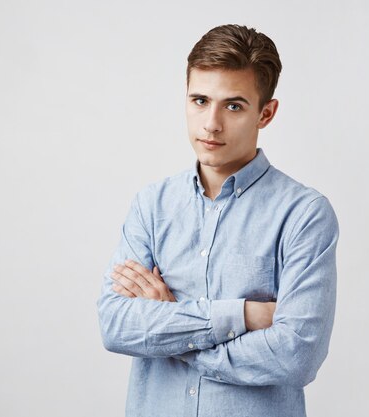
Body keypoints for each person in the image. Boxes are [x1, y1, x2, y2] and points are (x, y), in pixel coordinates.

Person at [97, 24, 339, 417]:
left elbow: (296, 355)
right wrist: (242, 315)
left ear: (266, 113)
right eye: (199, 100)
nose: (211, 123)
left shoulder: (304, 214)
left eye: (233, 105)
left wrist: (172, 330)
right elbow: (116, 325)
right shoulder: (151, 206)